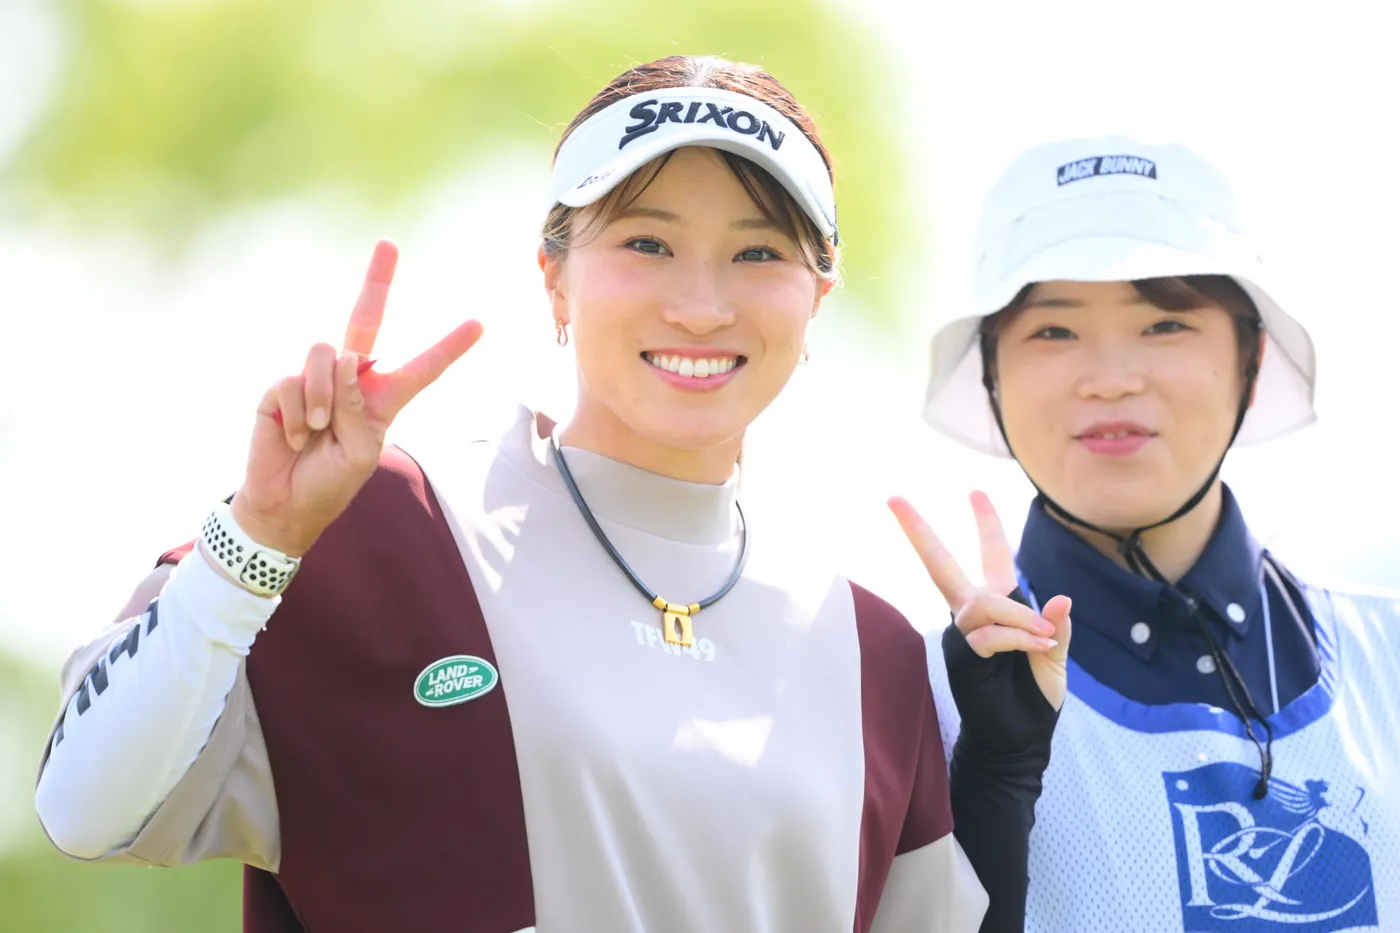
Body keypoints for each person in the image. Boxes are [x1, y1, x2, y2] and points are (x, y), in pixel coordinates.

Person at [33, 55, 1071, 933]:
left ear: (816, 299)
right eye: (646, 242)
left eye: (757, 252)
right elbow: (87, 808)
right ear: (553, 276)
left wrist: (1000, 767)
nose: (700, 303)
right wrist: (259, 535)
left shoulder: (871, 649)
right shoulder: (376, 528)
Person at [917, 135, 1400, 932]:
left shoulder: (1388, 656)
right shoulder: (916, 695)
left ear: (1251, 358)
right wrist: (995, 771)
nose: (1111, 379)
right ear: (992, 372)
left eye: (1166, 323)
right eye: (1053, 331)